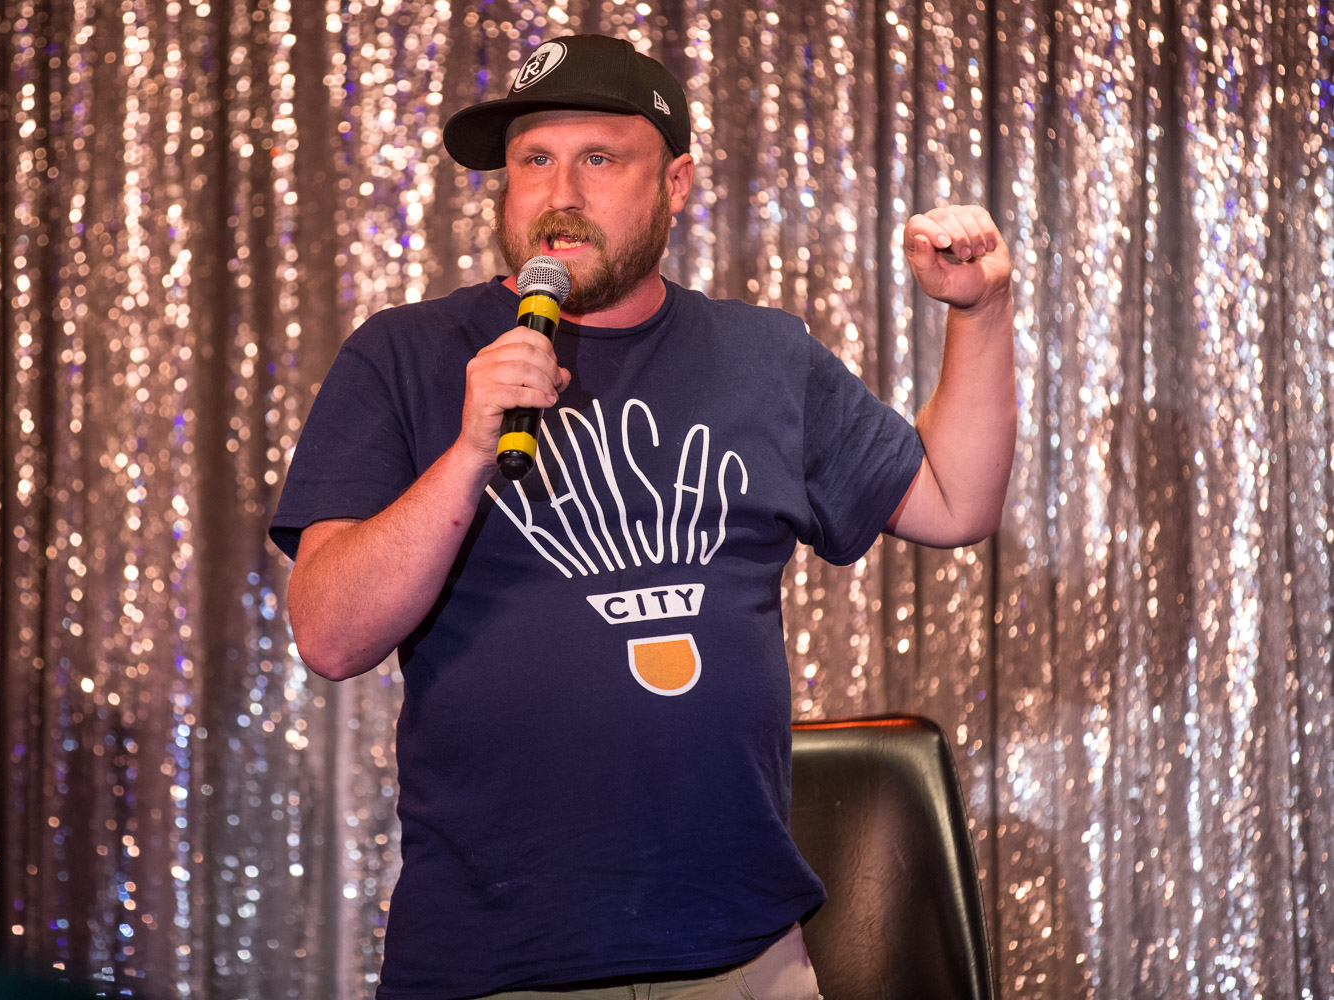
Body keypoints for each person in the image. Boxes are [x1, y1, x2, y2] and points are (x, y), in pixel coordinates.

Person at [270, 33, 1016, 1000]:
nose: (559, 193)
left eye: (599, 158)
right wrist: (466, 455)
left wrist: (980, 312)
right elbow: (330, 635)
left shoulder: (764, 356)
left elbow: (956, 501)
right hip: (496, 965)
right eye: (533, 160)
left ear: (675, 184)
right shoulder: (406, 355)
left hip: (744, 955)